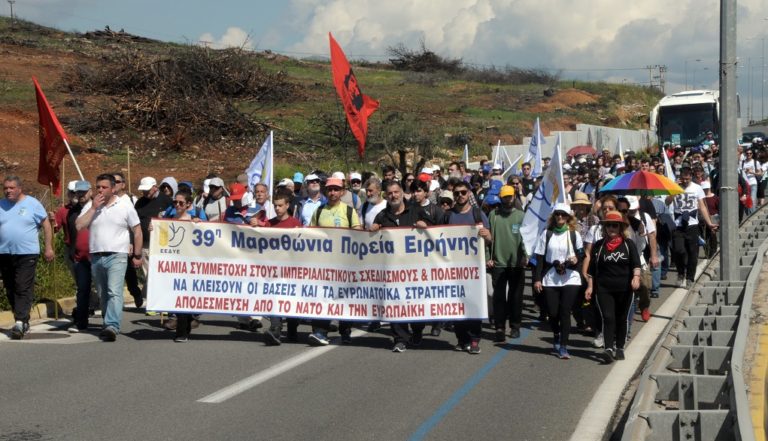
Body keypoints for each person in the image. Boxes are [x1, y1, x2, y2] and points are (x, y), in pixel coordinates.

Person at [76, 174, 142, 342]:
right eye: (98, 187)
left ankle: (112, 325)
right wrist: (93, 209)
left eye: (104, 187)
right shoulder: (92, 206)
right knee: (103, 293)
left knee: (114, 290)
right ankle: (108, 321)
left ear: (113, 189)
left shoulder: (125, 206)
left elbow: (137, 230)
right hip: (97, 255)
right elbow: (79, 225)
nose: (100, 190)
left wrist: (138, 253)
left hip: (117, 255)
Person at [371, 181, 426, 352]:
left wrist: (425, 226)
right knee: (395, 304)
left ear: (402, 193)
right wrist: (372, 230)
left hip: (415, 269)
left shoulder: (416, 212)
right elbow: (371, 242)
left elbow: (435, 233)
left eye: (396, 192)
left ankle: (417, 331)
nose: (393, 196)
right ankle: (400, 338)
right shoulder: (381, 216)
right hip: (392, 271)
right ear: (385, 195)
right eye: (390, 193)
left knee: (415, 304)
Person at [308, 177, 362, 345]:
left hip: (344, 262)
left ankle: (345, 331)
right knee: (322, 296)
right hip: (324, 263)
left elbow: (358, 234)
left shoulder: (348, 211)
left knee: (344, 297)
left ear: (342, 192)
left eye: (336, 189)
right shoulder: (319, 211)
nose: (332, 193)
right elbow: (310, 233)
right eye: (330, 189)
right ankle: (320, 331)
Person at [0, 175, 55, 339]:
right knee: (10, 287)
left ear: (19, 188)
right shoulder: (1, 205)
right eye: (5, 188)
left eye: (11, 188)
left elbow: (46, 225)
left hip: (27, 253)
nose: (8, 191)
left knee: (22, 285)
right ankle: (22, 319)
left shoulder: (32, 204)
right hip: (4, 253)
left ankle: (19, 321)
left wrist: (49, 247)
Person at [585, 210, 641, 363]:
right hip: (604, 288)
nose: (611, 228)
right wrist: (590, 287)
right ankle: (608, 348)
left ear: (620, 227)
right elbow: (592, 269)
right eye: (608, 225)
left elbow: (636, 264)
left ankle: (620, 347)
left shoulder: (628, 244)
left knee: (622, 318)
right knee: (608, 317)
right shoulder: (598, 246)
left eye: (615, 225)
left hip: (625, 288)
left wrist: (636, 277)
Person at [532, 203, 584, 360]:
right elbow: (540, 258)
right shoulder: (547, 233)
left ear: (568, 217)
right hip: (551, 277)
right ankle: (556, 333)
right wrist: (537, 279)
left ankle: (563, 346)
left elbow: (581, 254)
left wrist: (575, 258)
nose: (560, 217)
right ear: (553, 216)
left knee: (565, 311)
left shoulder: (574, 234)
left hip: (571, 277)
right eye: (557, 214)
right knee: (553, 312)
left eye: (563, 214)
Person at [445, 181, 492, 354]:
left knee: (473, 304)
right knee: (457, 305)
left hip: (474, 269)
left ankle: (474, 339)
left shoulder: (477, 213)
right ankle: (461, 339)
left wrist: (487, 235)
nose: (460, 196)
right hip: (454, 269)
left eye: (463, 192)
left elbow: (489, 239)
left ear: (469, 193)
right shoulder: (448, 215)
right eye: (456, 193)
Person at [665, 167, 718, 289]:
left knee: (693, 253)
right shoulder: (675, 187)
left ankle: (689, 278)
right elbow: (667, 202)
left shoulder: (697, 188)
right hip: (678, 224)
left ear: (691, 176)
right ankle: (680, 273)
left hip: (692, 224)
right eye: (683, 178)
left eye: (687, 177)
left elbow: (702, 207)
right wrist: (674, 190)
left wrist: (709, 223)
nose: (685, 180)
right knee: (678, 250)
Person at [487, 185, 526, 342]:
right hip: (498, 263)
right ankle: (500, 327)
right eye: (504, 197)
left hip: (516, 263)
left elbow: (527, 239)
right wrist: (488, 257)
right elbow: (488, 238)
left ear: (514, 196)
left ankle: (515, 326)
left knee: (516, 297)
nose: (507, 199)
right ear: (500, 197)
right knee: (498, 298)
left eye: (510, 196)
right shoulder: (493, 215)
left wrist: (526, 255)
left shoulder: (522, 216)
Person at [264, 191, 302, 345]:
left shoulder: (295, 224)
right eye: (275, 206)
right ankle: (275, 329)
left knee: (291, 301)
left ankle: (292, 329)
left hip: (291, 270)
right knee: (274, 298)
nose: (277, 208)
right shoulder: (269, 224)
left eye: (280, 205)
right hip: (273, 270)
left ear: (287, 205)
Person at [134, 176, 172, 309]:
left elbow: (173, 220)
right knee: (149, 275)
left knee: (160, 274)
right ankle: (153, 302)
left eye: (148, 190)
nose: (145, 193)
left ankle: (163, 301)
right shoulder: (139, 203)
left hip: (162, 244)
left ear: (155, 187)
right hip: (145, 244)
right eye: (143, 191)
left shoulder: (167, 201)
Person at [66, 181, 93, 332]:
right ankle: (81, 322)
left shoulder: (99, 208)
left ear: (90, 192)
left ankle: (109, 322)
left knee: (104, 291)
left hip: (97, 256)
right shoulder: (72, 211)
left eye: (83, 192)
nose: (80, 195)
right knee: (82, 290)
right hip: (79, 258)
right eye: (78, 192)